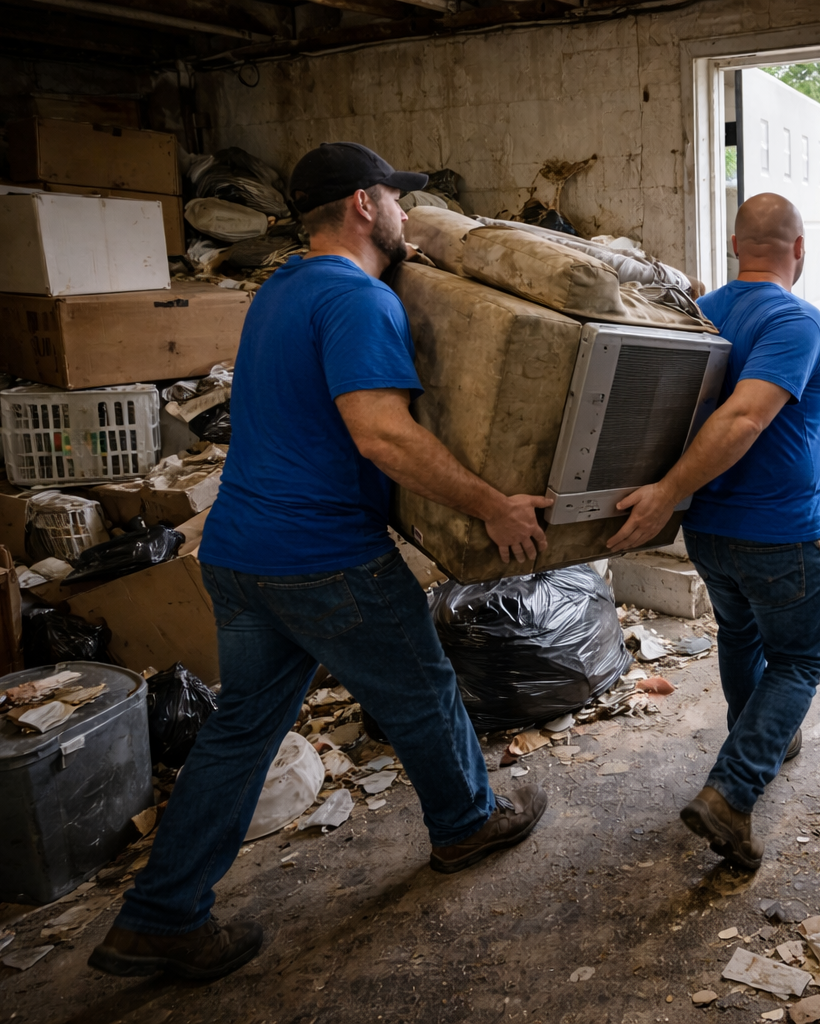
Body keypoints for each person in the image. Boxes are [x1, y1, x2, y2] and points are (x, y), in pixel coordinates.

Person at [88, 143, 551, 981]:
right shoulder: (356, 299)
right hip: (322, 557)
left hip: (238, 554)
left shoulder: (281, 290)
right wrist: (492, 504)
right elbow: (380, 434)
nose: (407, 213)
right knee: (421, 691)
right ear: (364, 205)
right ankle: (465, 823)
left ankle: (159, 918)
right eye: (397, 199)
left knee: (241, 733)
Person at [605, 193, 820, 871]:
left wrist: (677, 495)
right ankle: (733, 793)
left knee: (740, 633)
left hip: (709, 530)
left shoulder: (702, 313)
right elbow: (742, 420)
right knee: (797, 659)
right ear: (800, 250)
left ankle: (758, 736)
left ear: (736, 246)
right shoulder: (796, 319)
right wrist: (670, 490)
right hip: (782, 533)